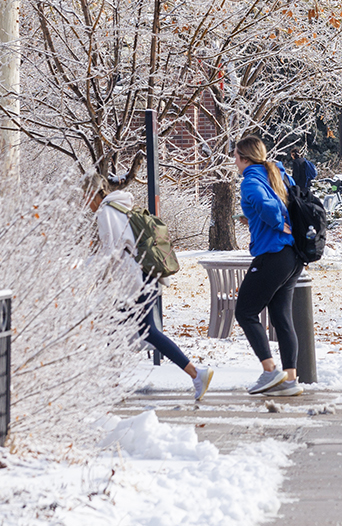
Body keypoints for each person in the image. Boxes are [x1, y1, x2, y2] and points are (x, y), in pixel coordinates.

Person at [93, 188, 213, 402]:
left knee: (132, 329)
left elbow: (110, 251)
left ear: (93, 193)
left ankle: (113, 385)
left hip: (130, 281)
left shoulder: (105, 212)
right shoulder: (124, 206)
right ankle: (195, 374)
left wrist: (97, 278)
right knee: (131, 328)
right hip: (145, 274)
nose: (84, 203)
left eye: (85, 197)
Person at [235, 135, 305, 396]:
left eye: (236, 157)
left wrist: (277, 224)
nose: (235, 162)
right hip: (292, 256)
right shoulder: (277, 173)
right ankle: (289, 380)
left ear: (244, 158)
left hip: (272, 255)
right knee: (281, 318)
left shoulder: (250, 181)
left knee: (245, 312)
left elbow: (268, 207)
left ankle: (269, 371)